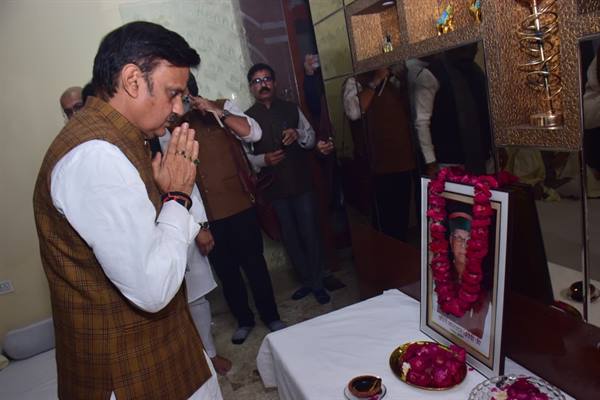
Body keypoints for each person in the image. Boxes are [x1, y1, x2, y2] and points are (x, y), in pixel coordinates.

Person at [33, 21, 222, 399]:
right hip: (131, 374)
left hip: (162, 355)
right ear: (133, 81)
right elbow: (153, 288)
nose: (178, 108)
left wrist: (166, 196)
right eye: (173, 93)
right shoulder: (95, 156)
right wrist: (178, 197)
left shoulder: (118, 136)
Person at [181, 73, 286, 345]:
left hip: (240, 204)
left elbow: (254, 132)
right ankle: (244, 319)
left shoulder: (222, 107)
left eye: (183, 93)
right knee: (227, 272)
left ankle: (271, 315)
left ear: (192, 91)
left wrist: (214, 110)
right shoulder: (174, 124)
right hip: (208, 214)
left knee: (255, 264)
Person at [245, 63, 331, 305]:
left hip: (301, 183)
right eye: (257, 81)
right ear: (251, 87)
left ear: (274, 83)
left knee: (310, 233)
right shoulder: (247, 119)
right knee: (290, 237)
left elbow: (311, 138)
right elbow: (245, 157)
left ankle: (318, 283)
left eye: (266, 79)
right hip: (274, 189)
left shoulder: (291, 108)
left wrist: (298, 134)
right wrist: (264, 159)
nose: (263, 84)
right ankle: (307, 281)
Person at [343, 64, 416, 241]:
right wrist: (375, 81)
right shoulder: (355, 81)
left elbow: (412, 110)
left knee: (401, 219)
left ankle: (401, 252)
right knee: (382, 223)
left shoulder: (394, 79)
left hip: (403, 162)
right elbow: (353, 112)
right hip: (377, 167)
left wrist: (403, 81)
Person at [413, 43, 492, 176]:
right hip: (449, 160)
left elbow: (485, 110)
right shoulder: (432, 74)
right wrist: (430, 161)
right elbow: (421, 121)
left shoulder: (476, 71)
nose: (475, 50)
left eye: (474, 46)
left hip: (482, 155)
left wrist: (494, 146)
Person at [445, 210, 491, 341]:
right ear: (451, 240)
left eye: (469, 240)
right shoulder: (441, 276)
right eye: (458, 238)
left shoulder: (486, 285)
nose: (464, 245)